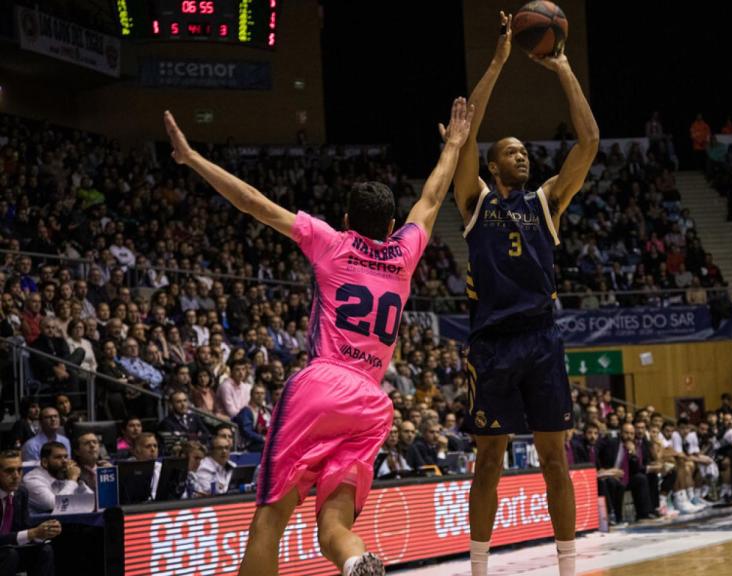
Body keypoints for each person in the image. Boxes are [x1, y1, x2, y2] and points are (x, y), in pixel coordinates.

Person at [164, 92, 473, 576]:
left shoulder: (331, 242)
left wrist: (192, 158)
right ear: (392, 226)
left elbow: (254, 203)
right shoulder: (405, 253)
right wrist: (453, 144)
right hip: (371, 402)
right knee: (333, 524)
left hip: (322, 386)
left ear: (347, 221)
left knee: (269, 522)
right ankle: (355, 562)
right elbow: (432, 197)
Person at [451, 12, 599, 576]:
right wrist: (497, 62)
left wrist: (563, 69)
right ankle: (479, 569)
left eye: (525, 152)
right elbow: (467, 134)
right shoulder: (474, 201)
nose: (523, 156)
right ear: (492, 164)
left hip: (540, 339)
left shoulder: (548, 202)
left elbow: (589, 141)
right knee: (488, 461)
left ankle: (568, 568)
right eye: (512, 152)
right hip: (491, 343)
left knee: (555, 460)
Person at [0, 450, 60, 576]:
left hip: (10, 550)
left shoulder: (21, 493)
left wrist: (43, 533)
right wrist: (32, 533)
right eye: (9, 471)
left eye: (19, 470)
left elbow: (24, 528)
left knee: (45, 550)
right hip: (6, 553)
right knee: (10, 554)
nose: (16, 476)